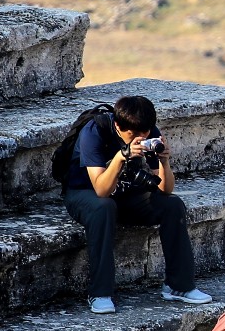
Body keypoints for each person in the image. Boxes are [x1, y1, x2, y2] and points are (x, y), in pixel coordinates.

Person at [55, 93, 211, 314]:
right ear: (118, 124)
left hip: (127, 194)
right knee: (104, 207)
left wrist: (164, 162)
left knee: (173, 205)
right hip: (85, 194)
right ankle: (100, 292)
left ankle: (179, 286)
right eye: (133, 134)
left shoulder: (149, 131)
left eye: (145, 133)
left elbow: (165, 189)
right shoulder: (95, 131)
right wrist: (120, 157)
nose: (140, 138)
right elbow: (101, 190)